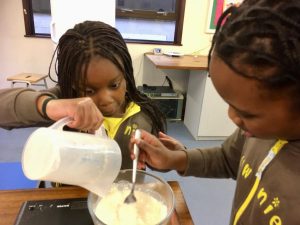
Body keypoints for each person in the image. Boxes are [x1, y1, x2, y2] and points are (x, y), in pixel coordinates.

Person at [130, 0, 300, 224]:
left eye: (247, 114)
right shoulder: (257, 132)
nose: (232, 116)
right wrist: (176, 158)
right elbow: (229, 159)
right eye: (228, 104)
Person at [0, 20, 166, 170]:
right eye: (89, 91)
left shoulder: (144, 113)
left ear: (126, 75)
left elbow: (161, 162)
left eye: (114, 85)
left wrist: (169, 158)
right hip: (70, 198)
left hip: (123, 199)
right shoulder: (64, 101)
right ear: (72, 84)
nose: (106, 99)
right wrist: (49, 106)